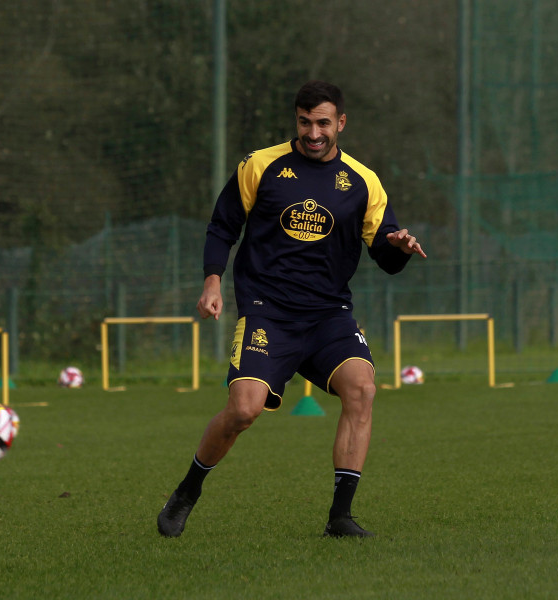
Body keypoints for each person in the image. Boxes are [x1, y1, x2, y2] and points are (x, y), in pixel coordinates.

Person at [158, 81, 426, 539]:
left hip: (328, 315)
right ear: (296, 120)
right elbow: (222, 226)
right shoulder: (259, 165)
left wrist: (399, 246)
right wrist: (212, 282)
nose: (313, 132)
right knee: (244, 411)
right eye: (305, 122)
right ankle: (188, 490)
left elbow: (385, 255)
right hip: (268, 312)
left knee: (362, 389)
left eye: (323, 123)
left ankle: (340, 517)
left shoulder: (363, 181)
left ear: (341, 123)